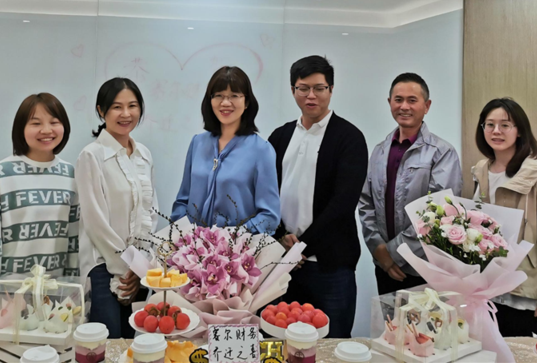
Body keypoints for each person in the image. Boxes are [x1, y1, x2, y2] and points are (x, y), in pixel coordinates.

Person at [269, 55, 368, 338]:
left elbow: (343, 203)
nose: (311, 95)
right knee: (282, 341)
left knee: (332, 343)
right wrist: (280, 237)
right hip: (282, 263)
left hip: (330, 266)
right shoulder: (279, 136)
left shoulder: (349, 137)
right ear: (293, 90)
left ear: (331, 90)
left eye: (319, 88)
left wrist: (301, 247)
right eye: (303, 88)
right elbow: (265, 195)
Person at [472, 97, 537, 337]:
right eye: (489, 124)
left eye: (505, 125)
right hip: (485, 293)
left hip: (523, 296)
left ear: (519, 130)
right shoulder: (480, 171)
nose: (496, 131)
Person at [358, 73, 462, 295]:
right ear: (390, 103)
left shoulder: (442, 152)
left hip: (425, 267)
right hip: (384, 266)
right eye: (398, 100)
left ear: (427, 106)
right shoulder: (379, 151)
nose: (404, 106)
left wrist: (393, 253)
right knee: (388, 317)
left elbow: (439, 213)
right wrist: (378, 249)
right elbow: (366, 204)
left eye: (412, 100)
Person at [75, 78, 156, 338]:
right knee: (106, 346)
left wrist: (141, 264)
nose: (126, 114)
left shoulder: (144, 154)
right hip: (103, 267)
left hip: (137, 270)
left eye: (132, 106)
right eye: (117, 107)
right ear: (101, 110)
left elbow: (150, 211)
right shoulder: (91, 155)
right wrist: (125, 267)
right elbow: (95, 222)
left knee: (134, 345)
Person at [0, 93, 79, 288]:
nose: (46, 130)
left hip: (56, 291)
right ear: (20, 128)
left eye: (54, 122)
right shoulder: (1, 174)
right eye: (36, 123)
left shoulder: (71, 174)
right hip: (9, 292)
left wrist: (73, 288)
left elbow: (74, 242)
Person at [171, 66, 280, 234]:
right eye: (219, 96)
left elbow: (269, 216)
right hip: (192, 245)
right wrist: (186, 235)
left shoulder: (261, 150)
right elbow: (182, 201)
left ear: (247, 102)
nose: (225, 103)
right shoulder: (197, 143)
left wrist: (233, 238)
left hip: (236, 247)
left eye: (234, 96)